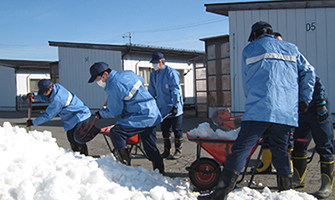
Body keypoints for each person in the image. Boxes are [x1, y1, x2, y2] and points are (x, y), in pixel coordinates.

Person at [198, 21, 316, 199]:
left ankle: (220, 194)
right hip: (285, 111)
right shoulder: (291, 48)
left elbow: (247, 84)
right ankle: (286, 193)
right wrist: (304, 99)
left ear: (254, 35)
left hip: (259, 108)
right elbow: (309, 72)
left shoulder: (250, 49)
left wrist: (252, 99)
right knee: (281, 150)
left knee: (240, 149)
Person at [88, 62, 164, 173]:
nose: (97, 81)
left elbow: (114, 112)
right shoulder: (126, 74)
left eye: (97, 78)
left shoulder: (113, 87)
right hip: (152, 112)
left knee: (116, 132)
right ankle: (160, 172)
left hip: (141, 115)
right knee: (149, 145)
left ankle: (124, 167)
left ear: (105, 74)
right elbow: (141, 80)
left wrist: (100, 114)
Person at [252, 32, 294, 174]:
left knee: (284, 141)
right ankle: (265, 164)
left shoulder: (288, 62)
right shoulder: (268, 63)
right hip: (267, 108)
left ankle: (287, 170)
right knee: (267, 137)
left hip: (284, 109)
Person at [292, 75, 334, 198]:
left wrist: (320, 102)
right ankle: (298, 178)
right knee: (299, 144)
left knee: (324, 144)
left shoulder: (297, 63)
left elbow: (313, 79)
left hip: (316, 106)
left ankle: (326, 185)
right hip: (301, 109)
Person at [26, 79, 91, 156]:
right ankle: (76, 157)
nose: (44, 94)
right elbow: (47, 97)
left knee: (78, 138)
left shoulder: (58, 99)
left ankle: (85, 157)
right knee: (70, 137)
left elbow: (48, 115)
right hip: (72, 116)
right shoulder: (56, 87)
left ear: (50, 88)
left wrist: (33, 122)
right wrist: (34, 95)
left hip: (81, 115)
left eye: (45, 92)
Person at [148, 51, 184, 159]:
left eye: (156, 63)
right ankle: (167, 150)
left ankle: (178, 150)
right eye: (153, 63)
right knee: (165, 130)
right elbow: (151, 91)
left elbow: (176, 90)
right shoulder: (153, 74)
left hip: (174, 109)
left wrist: (176, 106)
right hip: (162, 109)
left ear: (162, 62)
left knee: (177, 130)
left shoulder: (171, 73)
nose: (154, 65)